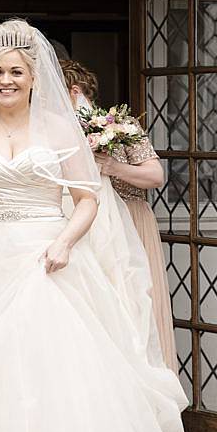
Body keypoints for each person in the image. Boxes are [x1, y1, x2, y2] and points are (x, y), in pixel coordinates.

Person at [0, 20, 188, 432]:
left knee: (54, 361)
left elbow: (87, 199)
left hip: (48, 255)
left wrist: (64, 243)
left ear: (35, 78)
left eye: (16, 72)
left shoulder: (58, 127)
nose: (6, 81)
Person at [61, 59, 180, 376]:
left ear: (74, 92)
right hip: (78, 224)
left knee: (132, 305)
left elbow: (155, 176)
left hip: (130, 217)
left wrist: (113, 167)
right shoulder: (53, 133)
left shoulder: (120, 127)